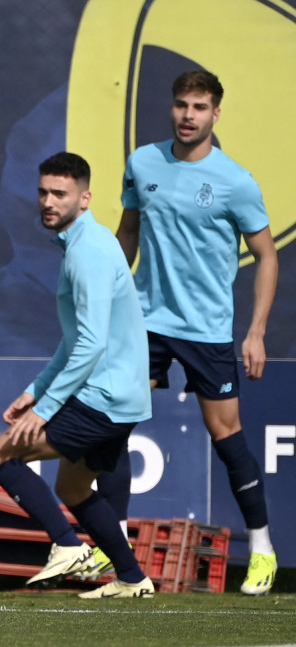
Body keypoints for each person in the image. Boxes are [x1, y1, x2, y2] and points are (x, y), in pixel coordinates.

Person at [111, 69, 279, 595]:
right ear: (172, 107)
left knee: (227, 437)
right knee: (114, 425)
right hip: (147, 321)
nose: (188, 115)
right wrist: (109, 304)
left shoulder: (236, 181)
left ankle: (262, 550)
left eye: (200, 107)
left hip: (207, 330)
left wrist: (254, 332)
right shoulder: (142, 162)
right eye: (181, 104)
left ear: (216, 114)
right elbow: (129, 230)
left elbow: (267, 256)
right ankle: (112, 553)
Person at [0, 152, 155, 599]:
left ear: (85, 197)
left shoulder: (88, 252)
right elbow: (78, 338)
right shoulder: (84, 244)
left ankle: (66, 545)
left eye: (60, 194)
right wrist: (34, 391)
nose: (48, 202)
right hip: (120, 396)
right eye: (43, 192)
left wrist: (47, 409)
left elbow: (91, 344)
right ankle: (133, 578)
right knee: (73, 487)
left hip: (104, 397)